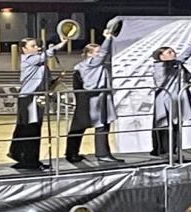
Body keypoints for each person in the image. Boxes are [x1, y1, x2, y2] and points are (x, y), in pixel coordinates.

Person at [8, 35, 69, 169]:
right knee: (30, 129)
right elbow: (46, 55)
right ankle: (29, 160)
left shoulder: (40, 64)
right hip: (28, 98)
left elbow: (45, 81)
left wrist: (55, 81)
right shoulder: (29, 59)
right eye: (33, 46)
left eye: (37, 45)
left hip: (36, 97)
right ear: (24, 49)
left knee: (31, 129)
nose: (38, 47)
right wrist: (61, 44)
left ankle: (26, 157)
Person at [65, 33, 123, 163]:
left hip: (91, 98)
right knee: (100, 125)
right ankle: (102, 154)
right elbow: (103, 53)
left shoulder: (84, 66)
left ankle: (71, 153)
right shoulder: (91, 63)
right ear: (89, 54)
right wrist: (108, 37)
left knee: (80, 126)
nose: (100, 54)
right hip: (94, 99)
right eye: (96, 52)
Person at [151, 29, 191, 158]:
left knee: (176, 127)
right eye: (169, 52)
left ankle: (173, 151)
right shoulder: (161, 67)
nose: (173, 53)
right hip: (166, 100)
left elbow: (185, 55)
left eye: (173, 51)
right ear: (161, 56)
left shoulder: (175, 64)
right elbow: (160, 81)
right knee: (165, 127)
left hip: (176, 99)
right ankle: (165, 152)